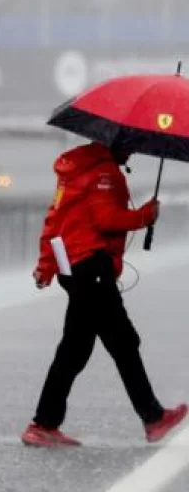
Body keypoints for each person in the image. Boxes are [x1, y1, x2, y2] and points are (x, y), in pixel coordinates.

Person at [21, 140, 187, 447]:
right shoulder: (105, 173)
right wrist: (144, 217)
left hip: (73, 267)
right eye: (128, 145)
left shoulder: (75, 171)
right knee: (123, 343)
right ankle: (153, 417)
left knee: (75, 348)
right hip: (92, 268)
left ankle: (44, 424)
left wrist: (46, 265)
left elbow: (54, 220)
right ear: (117, 144)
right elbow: (107, 220)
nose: (132, 151)